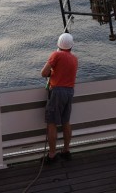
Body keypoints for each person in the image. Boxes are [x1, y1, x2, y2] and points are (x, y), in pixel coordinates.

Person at [40, 33, 78, 164]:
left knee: (52, 123)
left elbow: (44, 73)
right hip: (69, 92)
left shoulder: (56, 55)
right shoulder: (74, 59)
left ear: (58, 45)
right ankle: (66, 150)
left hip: (57, 92)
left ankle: (51, 155)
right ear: (71, 46)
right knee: (66, 121)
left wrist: (52, 73)